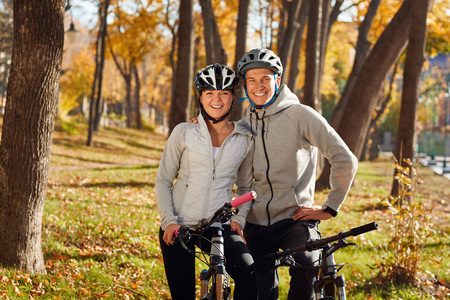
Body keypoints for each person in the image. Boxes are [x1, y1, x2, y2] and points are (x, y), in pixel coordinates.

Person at [236, 48, 358, 300]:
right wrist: (199, 124)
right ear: (244, 85)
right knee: (256, 289)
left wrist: (330, 207)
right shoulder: (242, 127)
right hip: (255, 221)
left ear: (277, 81)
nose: (258, 86)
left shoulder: (301, 115)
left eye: (265, 79)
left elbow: (345, 158)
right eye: (252, 80)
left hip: (294, 218)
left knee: (306, 262)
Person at [155, 63, 258, 300]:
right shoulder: (184, 132)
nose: (217, 99)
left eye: (224, 93)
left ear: (233, 97)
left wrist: (239, 219)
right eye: (209, 93)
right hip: (180, 225)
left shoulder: (244, 138)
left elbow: (245, 187)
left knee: (249, 274)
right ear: (201, 97)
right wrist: (169, 221)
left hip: (219, 224)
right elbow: (163, 180)